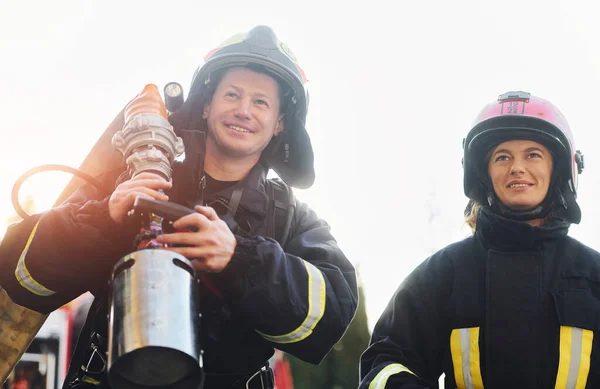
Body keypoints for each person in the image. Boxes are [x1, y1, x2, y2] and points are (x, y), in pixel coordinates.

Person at [0, 25, 358, 389]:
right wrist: (103, 222)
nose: (243, 110)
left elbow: (333, 314)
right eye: (231, 94)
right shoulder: (131, 180)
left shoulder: (289, 219)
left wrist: (240, 259)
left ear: (280, 124)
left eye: (261, 102)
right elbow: (17, 271)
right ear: (206, 105)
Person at [359, 91, 598, 389]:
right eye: (502, 157)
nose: (517, 167)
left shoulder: (593, 276)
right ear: (483, 175)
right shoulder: (443, 274)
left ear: (560, 169)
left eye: (533, 154)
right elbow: (383, 364)